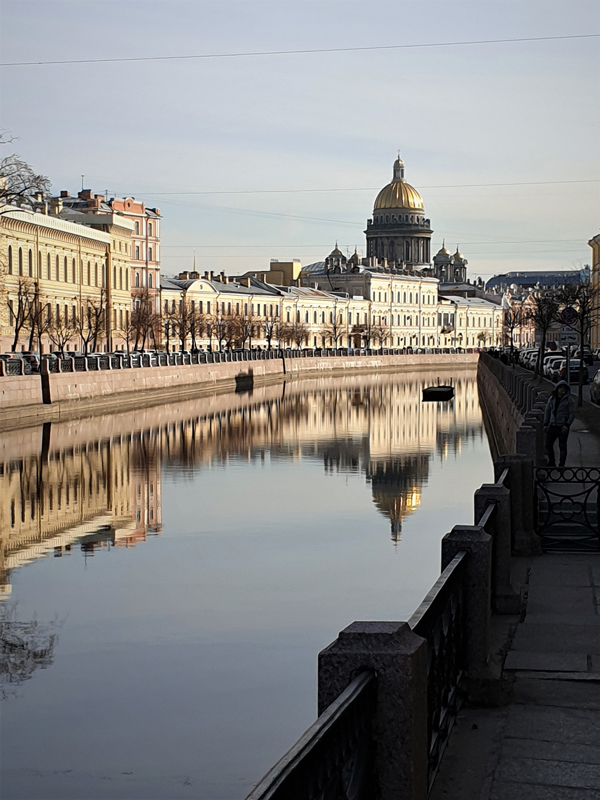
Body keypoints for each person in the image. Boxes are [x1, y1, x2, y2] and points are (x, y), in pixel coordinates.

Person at [543, 381, 576, 467]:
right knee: (548, 445)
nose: (562, 390)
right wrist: (546, 424)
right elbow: (548, 411)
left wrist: (567, 425)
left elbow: (572, 413)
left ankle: (561, 465)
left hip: (562, 427)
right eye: (561, 388)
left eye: (564, 388)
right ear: (557, 388)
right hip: (552, 426)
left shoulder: (569, 400)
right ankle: (552, 462)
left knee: (562, 447)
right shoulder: (552, 399)